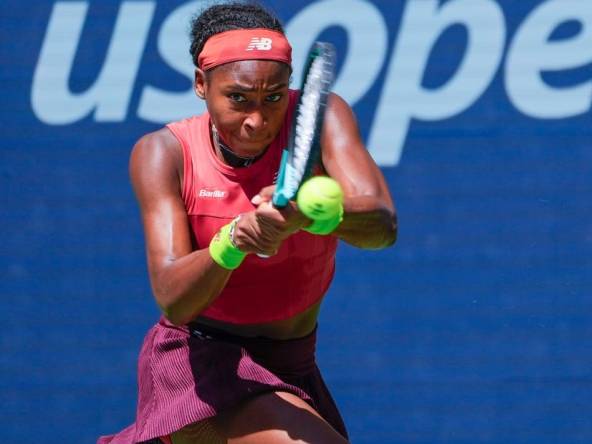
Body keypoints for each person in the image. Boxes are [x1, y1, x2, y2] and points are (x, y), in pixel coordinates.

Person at [97, 1, 396, 443]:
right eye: (237, 98)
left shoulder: (324, 117)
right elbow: (174, 300)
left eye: (273, 97)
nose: (256, 120)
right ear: (202, 84)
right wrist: (232, 240)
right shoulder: (163, 154)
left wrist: (311, 216)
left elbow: (381, 227)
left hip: (291, 362)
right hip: (198, 361)